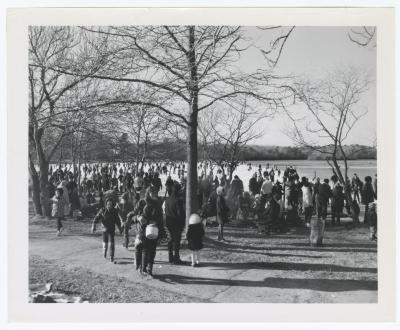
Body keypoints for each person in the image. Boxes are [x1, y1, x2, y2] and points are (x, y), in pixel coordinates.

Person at [92, 198, 123, 263]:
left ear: (112, 205)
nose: (109, 205)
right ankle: (104, 253)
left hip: (111, 229)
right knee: (105, 243)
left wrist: (120, 229)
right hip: (104, 229)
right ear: (106, 204)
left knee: (112, 242)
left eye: (110, 204)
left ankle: (112, 256)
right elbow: (97, 218)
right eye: (108, 204)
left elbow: (117, 221)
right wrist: (93, 226)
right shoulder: (103, 210)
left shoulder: (114, 211)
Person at [164, 183, 185, 264]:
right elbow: (180, 213)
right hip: (176, 223)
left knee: (170, 240)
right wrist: (182, 221)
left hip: (168, 222)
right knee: (176, 241)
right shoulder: (178, 200)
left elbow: (165, 211)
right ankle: (176, 258)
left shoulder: (167, 199)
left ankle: (170, 257)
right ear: (179, 190)